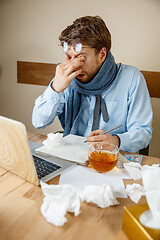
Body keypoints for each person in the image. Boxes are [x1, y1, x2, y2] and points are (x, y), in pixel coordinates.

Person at [32, 15, 153, 153]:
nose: (74, 65)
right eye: (69, 56)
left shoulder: (131, 78)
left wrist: (117, 141)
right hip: (72, 157)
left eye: (81, 57)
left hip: (111, 160)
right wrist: (55, 89)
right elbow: (39, 122)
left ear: (102, 55)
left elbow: (144, 132)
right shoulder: (66, 78)